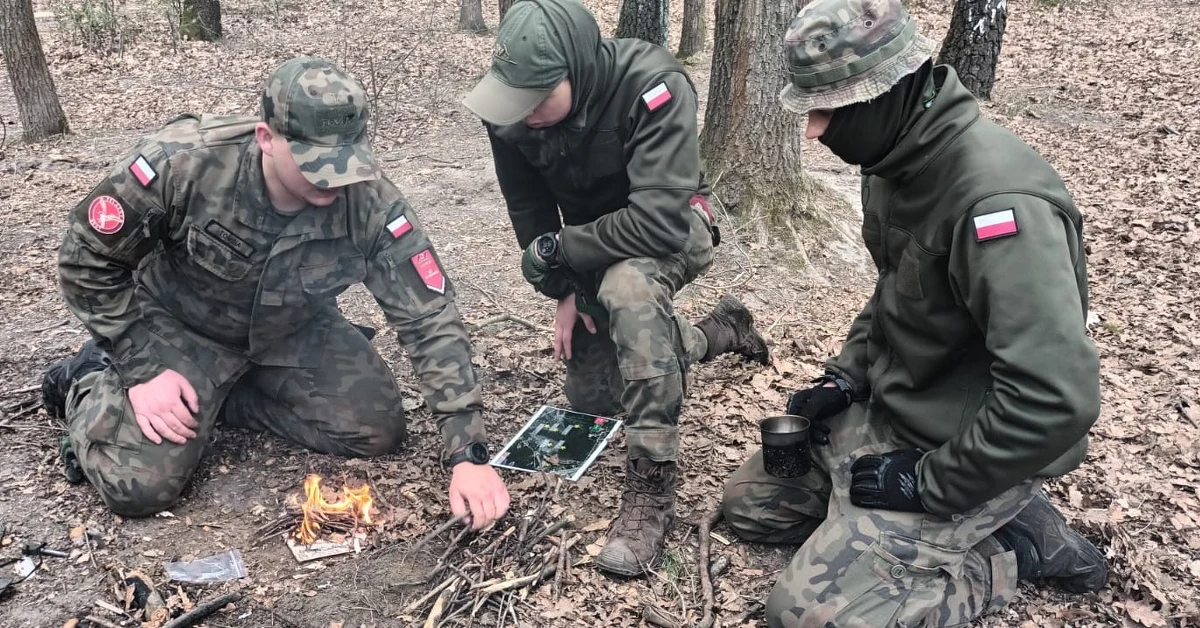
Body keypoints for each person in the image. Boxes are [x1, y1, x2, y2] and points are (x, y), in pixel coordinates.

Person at [720, 0, 1109, 625]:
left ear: (883, 93)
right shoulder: (895, 160)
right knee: (752, 504)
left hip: (964, 443)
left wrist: (929, 482)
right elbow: (895, 290)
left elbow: (1054, 399)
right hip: (901, 410)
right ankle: (889, 533)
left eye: (827, 110)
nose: (813, 131)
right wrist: (845, 375)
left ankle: (1012, 548)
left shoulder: (999, 206)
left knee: (806, 616)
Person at [42, 57, 510, 529]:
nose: (334, 178)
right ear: (267, 138)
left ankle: (220, 397)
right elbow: (85, 259)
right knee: (137, 486)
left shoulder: (369, 201)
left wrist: (468, 452)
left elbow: (428, 317)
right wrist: (140, 368)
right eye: (316, 163)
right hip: (178, 326)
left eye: (345, 160)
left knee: (375, 431)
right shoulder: (185, 162)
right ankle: (86, 379)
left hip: (290, 330)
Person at [462, 0, 771, 576]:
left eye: (536, 100)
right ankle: (720, 332)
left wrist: (565, 254)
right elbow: (528, 208)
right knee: (598, 401)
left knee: (629, 289)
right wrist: (565, 290)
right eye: (515, 99)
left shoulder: (653, 85)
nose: (522, 115)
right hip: (592, 245)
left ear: (574, 69)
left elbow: (657, 222)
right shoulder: (510, 112)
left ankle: (652, 491)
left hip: (675, 223)